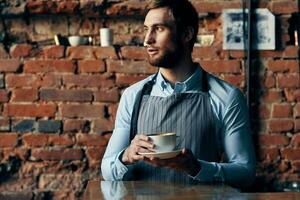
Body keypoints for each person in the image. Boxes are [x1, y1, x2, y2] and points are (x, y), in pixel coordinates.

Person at [101, 0, 256, 188]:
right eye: (146, 29)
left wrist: (197, 168)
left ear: (186, 34)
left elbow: (245, 173)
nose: (147, 40)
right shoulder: (133, 96)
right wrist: (125, 156)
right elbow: (108, 170)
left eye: (158, 29)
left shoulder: (227, 97)